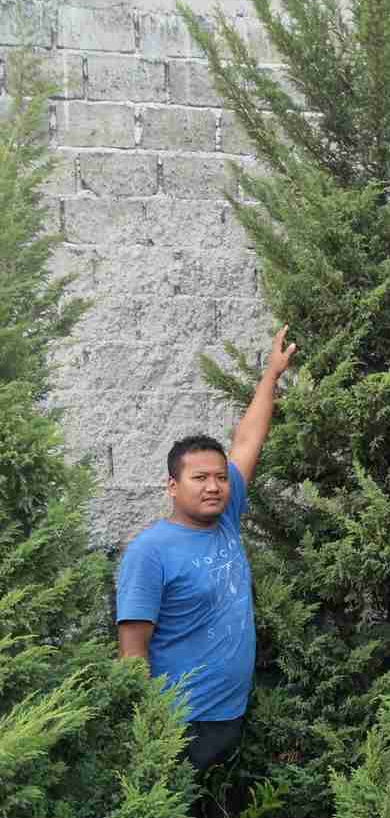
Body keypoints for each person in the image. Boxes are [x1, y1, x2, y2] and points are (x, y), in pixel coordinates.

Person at [116, 324, 296, 774]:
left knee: (220, 817)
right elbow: (133, 651)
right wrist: (149, 729)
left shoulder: (225, 517)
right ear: (172, 486)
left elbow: (248, 440)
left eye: (219, 477)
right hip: (180, 722)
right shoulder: (150, 552)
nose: (213, 486)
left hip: (230, 713)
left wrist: (271, 375)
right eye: (199, 478)